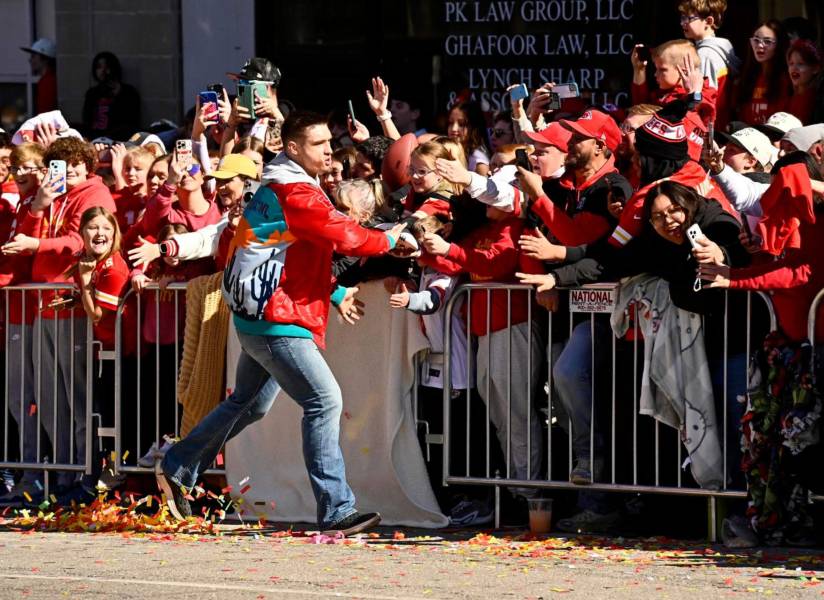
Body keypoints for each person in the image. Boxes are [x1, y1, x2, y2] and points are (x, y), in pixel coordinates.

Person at [155, 110, 406, 536]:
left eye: (330, 142)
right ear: (292, 149)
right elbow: (346, 236)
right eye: (318, 144)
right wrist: (394, 240)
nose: (329, 151)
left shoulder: (287, 187)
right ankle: (337, 510)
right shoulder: (296, 193)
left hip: (263, 316)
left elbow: (291, 256)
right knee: (323, 402)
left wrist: (337, 291)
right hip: (276, 319)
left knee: (249, 404)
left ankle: (177, 466)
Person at [1, 137, 116, 498]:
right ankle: (62, 474)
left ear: (86, 165)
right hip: (42, 304)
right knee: (50, 400)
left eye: (73, 164)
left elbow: (79, 243)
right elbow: (31, 248)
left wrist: (37, 244)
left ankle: (82, 474)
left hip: (70, 304)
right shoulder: (55, 195)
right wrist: (38, 208)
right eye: (59, 164)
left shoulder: (93, 194)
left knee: (77, 398)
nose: (67, 171)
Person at [677, 0, 740, 129]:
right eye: (682, 17)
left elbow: (706, 101)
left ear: (709, 21)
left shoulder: (705, 55)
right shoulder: (722, 48)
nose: (682, 23)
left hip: (711, 129)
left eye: (689, 18)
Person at [732, 20, 791, 125]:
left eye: (767, 41)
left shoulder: (787, 79)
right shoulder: (746, 77)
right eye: (756, 40)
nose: (760, 45)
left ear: (779, 45)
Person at [82, 52, 141, 141]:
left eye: (107, 67)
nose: (103, 71)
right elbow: (87, 119)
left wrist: (118, 95)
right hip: (95, 137)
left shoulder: (128, 92)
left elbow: (131, 121)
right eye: (99, 67)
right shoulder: (92, 93)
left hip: (118, 138)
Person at [785, 39, 822, 124]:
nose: (794, 68)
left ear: (816, 68)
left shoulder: (818, 101)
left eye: (800, 64)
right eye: (791, 63)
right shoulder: (790, 96)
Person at [448, 101, 491, 175]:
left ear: (474, 127)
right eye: (451, 123)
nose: (454, 129)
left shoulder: (479, 161)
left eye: (462, 124)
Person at [20, 38, 57, 114]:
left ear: (45, 59)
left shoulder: (48, 81)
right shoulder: (47, 80)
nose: (30, 60)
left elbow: (46, 113)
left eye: (34, 56)